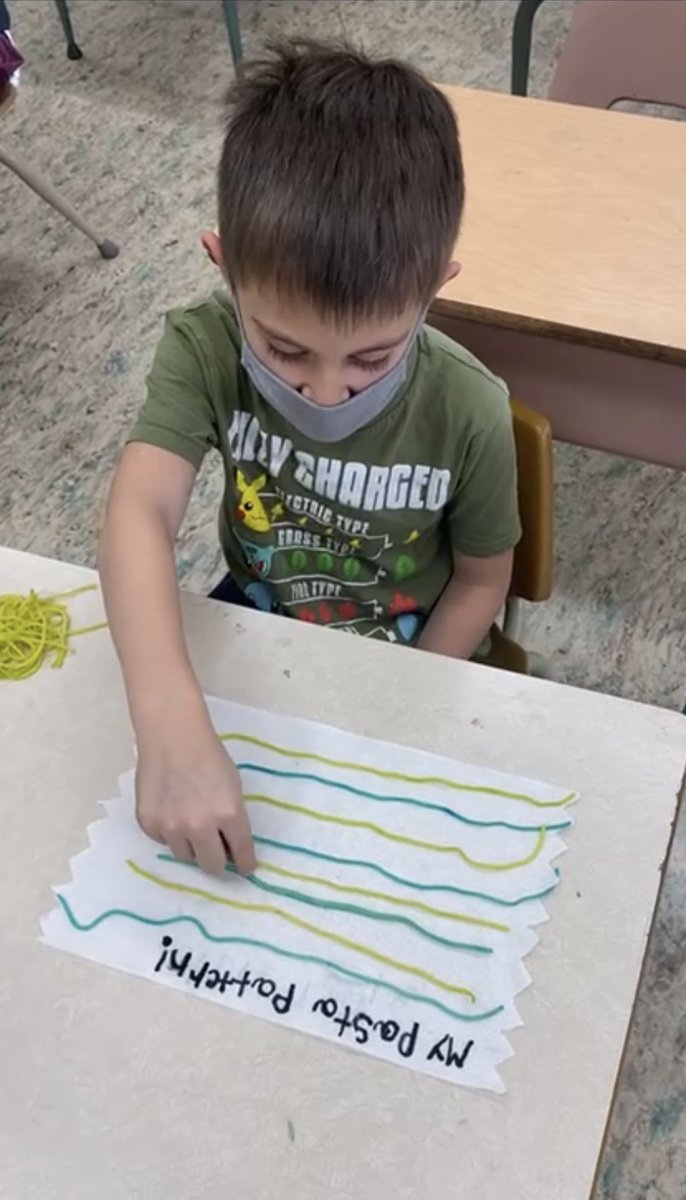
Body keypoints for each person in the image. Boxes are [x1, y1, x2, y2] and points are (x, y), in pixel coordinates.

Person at [99, 39, 521, 878]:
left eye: (371, 358)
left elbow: (481, 582)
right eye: (285, 348)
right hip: (260, 615)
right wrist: (169, 723)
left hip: (411, 653)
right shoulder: (204, 347)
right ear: (224, 266)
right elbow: (138, 514)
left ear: (437, 285)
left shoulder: (470, 407)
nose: (328, 393)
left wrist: (405, 704)